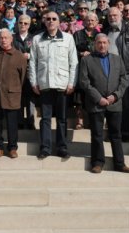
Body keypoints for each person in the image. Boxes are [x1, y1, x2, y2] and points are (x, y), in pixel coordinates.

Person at [78, 34, 129, 173]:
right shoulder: (87, 60)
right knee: (97, 134)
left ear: (108, 44)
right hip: (96, 103)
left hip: (114, 103)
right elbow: (84, 82)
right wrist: (98, 98)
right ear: (94, 44)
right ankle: (97, 162)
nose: (102, 45)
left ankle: (120, 163)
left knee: (116, 134)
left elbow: (124, 79)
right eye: (99, 43)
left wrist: (115, 95)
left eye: (104, 42)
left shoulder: (117, 59)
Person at [29, 10, 78, 159]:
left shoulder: (68, 38)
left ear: (59, 22)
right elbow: (32, 63)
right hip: (44, 83)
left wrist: (72, 83)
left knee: (62, 118)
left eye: (54, 19)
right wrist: (33, 82)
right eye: (48, 19)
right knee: (45, 118)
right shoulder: (37, 39)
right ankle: (45, 148)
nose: (51, 21)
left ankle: (62, 147)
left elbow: (73, 62)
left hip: (62, 84)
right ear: (44, 21)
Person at [103, 7, 129, 142]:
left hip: (125, 73)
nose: (112, 18)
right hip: (108, 74)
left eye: (115, 15)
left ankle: (125, 133)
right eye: (110, 16)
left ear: (120, 16)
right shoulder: (105, 32)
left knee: (125, 105)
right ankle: (113, 133)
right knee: (110, 104)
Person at [0, 29, 28, 158]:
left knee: (12, 123)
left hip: (12, 94)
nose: (3, 40)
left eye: (6, 37)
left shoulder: (19, 56)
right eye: (1, 37)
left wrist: (14, 87)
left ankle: (12, 147)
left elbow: (23, 77)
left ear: (11, 39)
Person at [73, 12, 100, 129]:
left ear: (96, 22)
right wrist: (81, 53)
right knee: (79, 96)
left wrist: (93, 53)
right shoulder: (77, 34)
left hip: (94, 68)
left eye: (93, 20)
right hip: (80, 66)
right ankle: (80, 120)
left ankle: (91, 120)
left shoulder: (99, 35)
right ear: (84, 22)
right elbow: (72, 50)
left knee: (92, 94)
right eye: (88, 20)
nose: (90, 22)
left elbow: (102, 49)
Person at [13, 14, 36, 129]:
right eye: (20, 22)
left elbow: (39, 55)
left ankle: (31, 120)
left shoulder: (34, 39)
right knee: (19, 96)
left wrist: (30, 55)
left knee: (30, 97)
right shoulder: (13, 38)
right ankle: (20, 121)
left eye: (25, 23)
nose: (23, 25)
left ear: (29, 25)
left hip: (30, 71)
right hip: (16, 72)